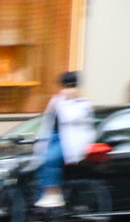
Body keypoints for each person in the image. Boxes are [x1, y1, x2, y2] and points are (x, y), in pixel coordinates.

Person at [32, 69, 94, 211]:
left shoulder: (82, 103)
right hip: (53, 137)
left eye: (72, 86)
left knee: (50, 158)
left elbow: (72, 119)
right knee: (37, 162)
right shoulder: (57, 100)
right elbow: (46, 122)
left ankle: (54, 193)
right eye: (66, 86)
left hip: (71, 141)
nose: (68, 90)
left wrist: (68, 101)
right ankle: (41, 203)